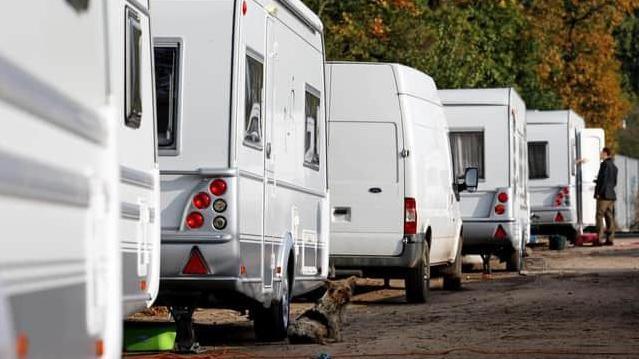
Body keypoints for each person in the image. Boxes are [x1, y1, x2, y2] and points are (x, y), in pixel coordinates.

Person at [594, 147, 618, 246]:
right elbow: (614, 182)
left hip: (604, 195)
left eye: (601, 153)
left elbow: (603, 180)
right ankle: (610, 239)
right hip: (611, 195)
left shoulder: (604, 164)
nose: (600, 154)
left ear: (605, 153)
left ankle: (599, 239)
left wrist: (598, 192)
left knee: (599, 215)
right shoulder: (614, 167)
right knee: (609, 216)